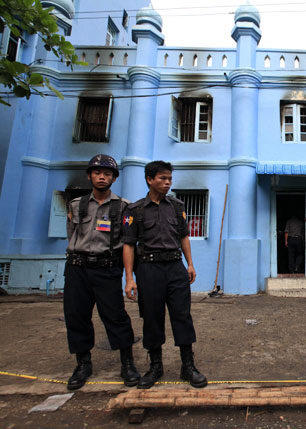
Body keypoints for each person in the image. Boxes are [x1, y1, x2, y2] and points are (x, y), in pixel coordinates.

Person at [122, 161, 208, 389]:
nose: (168, 182)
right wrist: (129, 278)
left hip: (175, 267)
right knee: (151, 317)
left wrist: (190, 264)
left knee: (182, 315)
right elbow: (129, 245)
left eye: (169, 179)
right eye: (162, 178)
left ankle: (188, 366)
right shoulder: (135, 210)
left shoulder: (176, 206)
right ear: (150, 179)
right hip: (148, 269)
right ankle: (155, 366)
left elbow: (184, 237)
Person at [64, 154, 139, 390]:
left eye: (107, 174)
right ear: (89, 176)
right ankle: (83, 364)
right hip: (78, 268)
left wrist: (129, 277)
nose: (101, 177)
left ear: (114, 179)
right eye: (97, 172)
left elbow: (128, 243)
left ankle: (127, 363)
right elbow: (72, 235)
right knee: (76, 316)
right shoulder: (76, 205)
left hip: (106, 268)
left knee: (115, 315)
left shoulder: (123, 206)